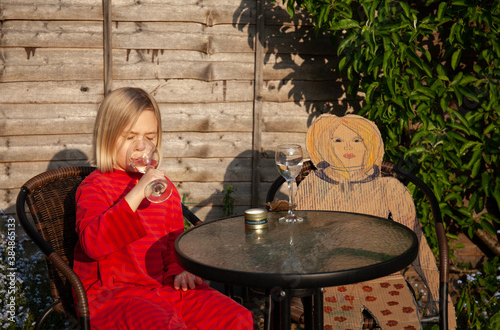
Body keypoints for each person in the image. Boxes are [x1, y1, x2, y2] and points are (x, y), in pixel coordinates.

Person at [73, 87, 253, 329]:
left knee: (235, 317)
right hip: (114, 295)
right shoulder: (95, 186)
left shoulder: (162, 190)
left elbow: (173, 242)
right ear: (107, 136)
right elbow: (93, 245)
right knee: (166, 325)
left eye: (150, 137)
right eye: (130, 137)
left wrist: (180, 269)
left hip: (162, 287)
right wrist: (136, 193)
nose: (141, 146)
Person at [295, 114, 456, 329]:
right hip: (332, 277)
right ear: (326, 144)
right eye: (338, 140)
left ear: (369, 143)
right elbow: (299, 239)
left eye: (356, 139)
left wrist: (439, 294)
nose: (347, 148)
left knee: (404, 324)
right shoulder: (311, 185)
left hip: (383, 275)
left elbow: (416, 241)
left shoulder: (389, 187)